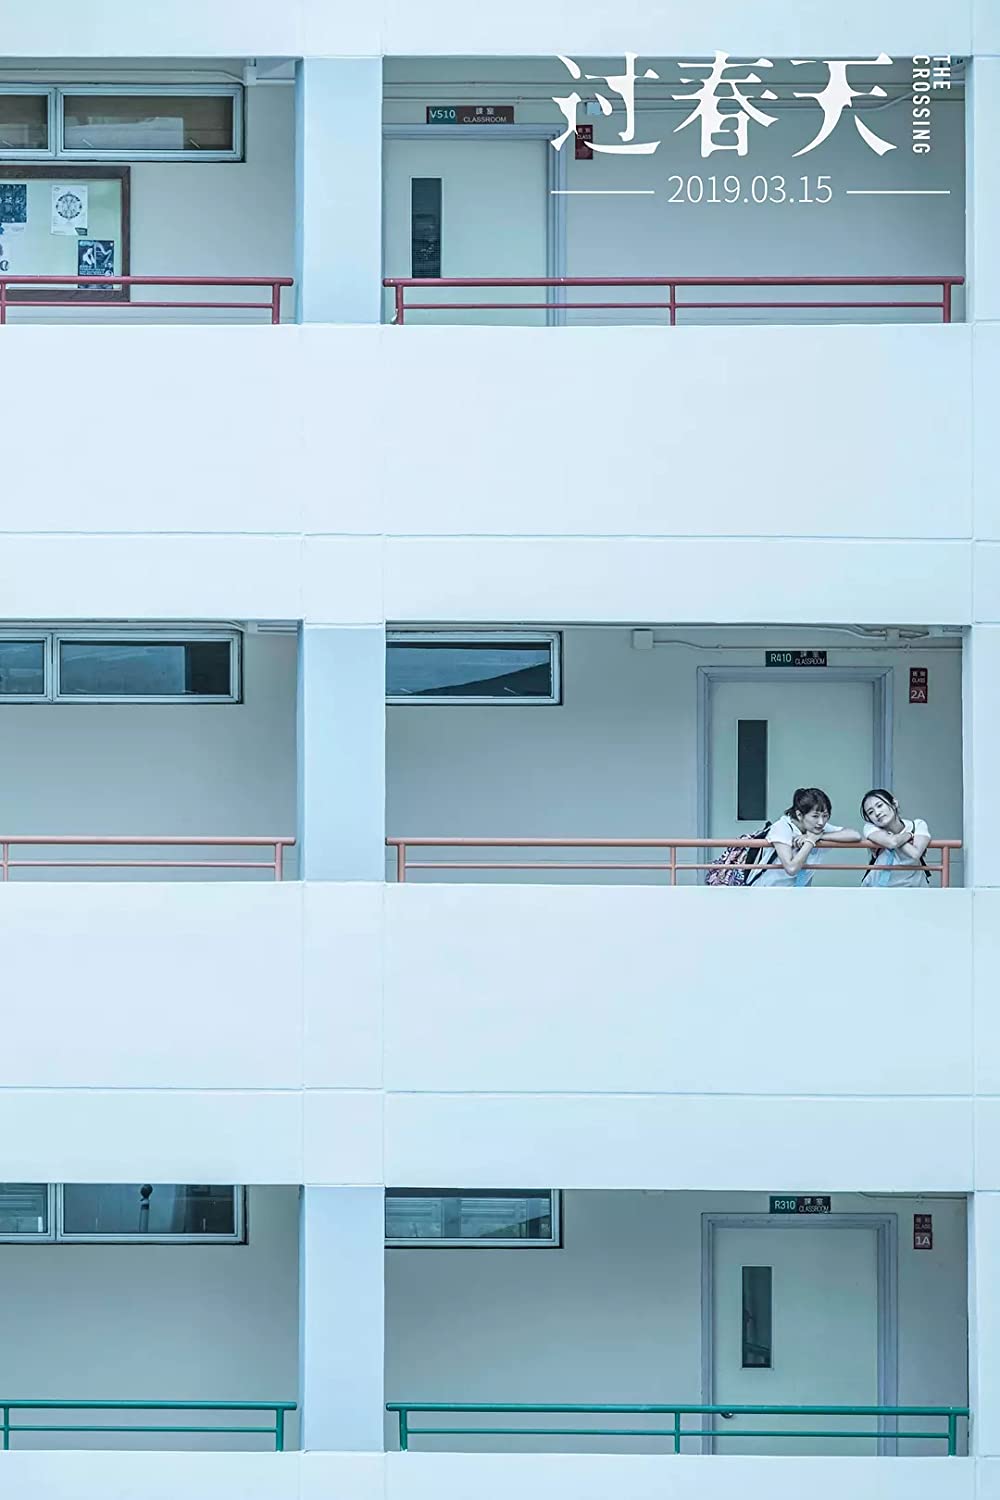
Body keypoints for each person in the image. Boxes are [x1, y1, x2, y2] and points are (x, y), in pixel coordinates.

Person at [751, 787, 861, 887]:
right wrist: (811, 840)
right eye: (815, 816)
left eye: (825, 816)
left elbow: (855, 835)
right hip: (766, 891)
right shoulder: (782, 827)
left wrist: (822, 836)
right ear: (799, 815)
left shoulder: (817, 828)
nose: (821, 822)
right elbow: (791, 868)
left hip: (796, 894)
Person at [860, 788, 931, 888]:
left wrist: (894, 839)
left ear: (894, 803)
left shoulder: (917, 824)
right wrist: (909, 835)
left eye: (880, 806)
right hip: (878, 887)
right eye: (871, 812)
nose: (877, 813)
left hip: (914, 887)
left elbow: (915, 853)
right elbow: (892, 843)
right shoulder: (870, 828)